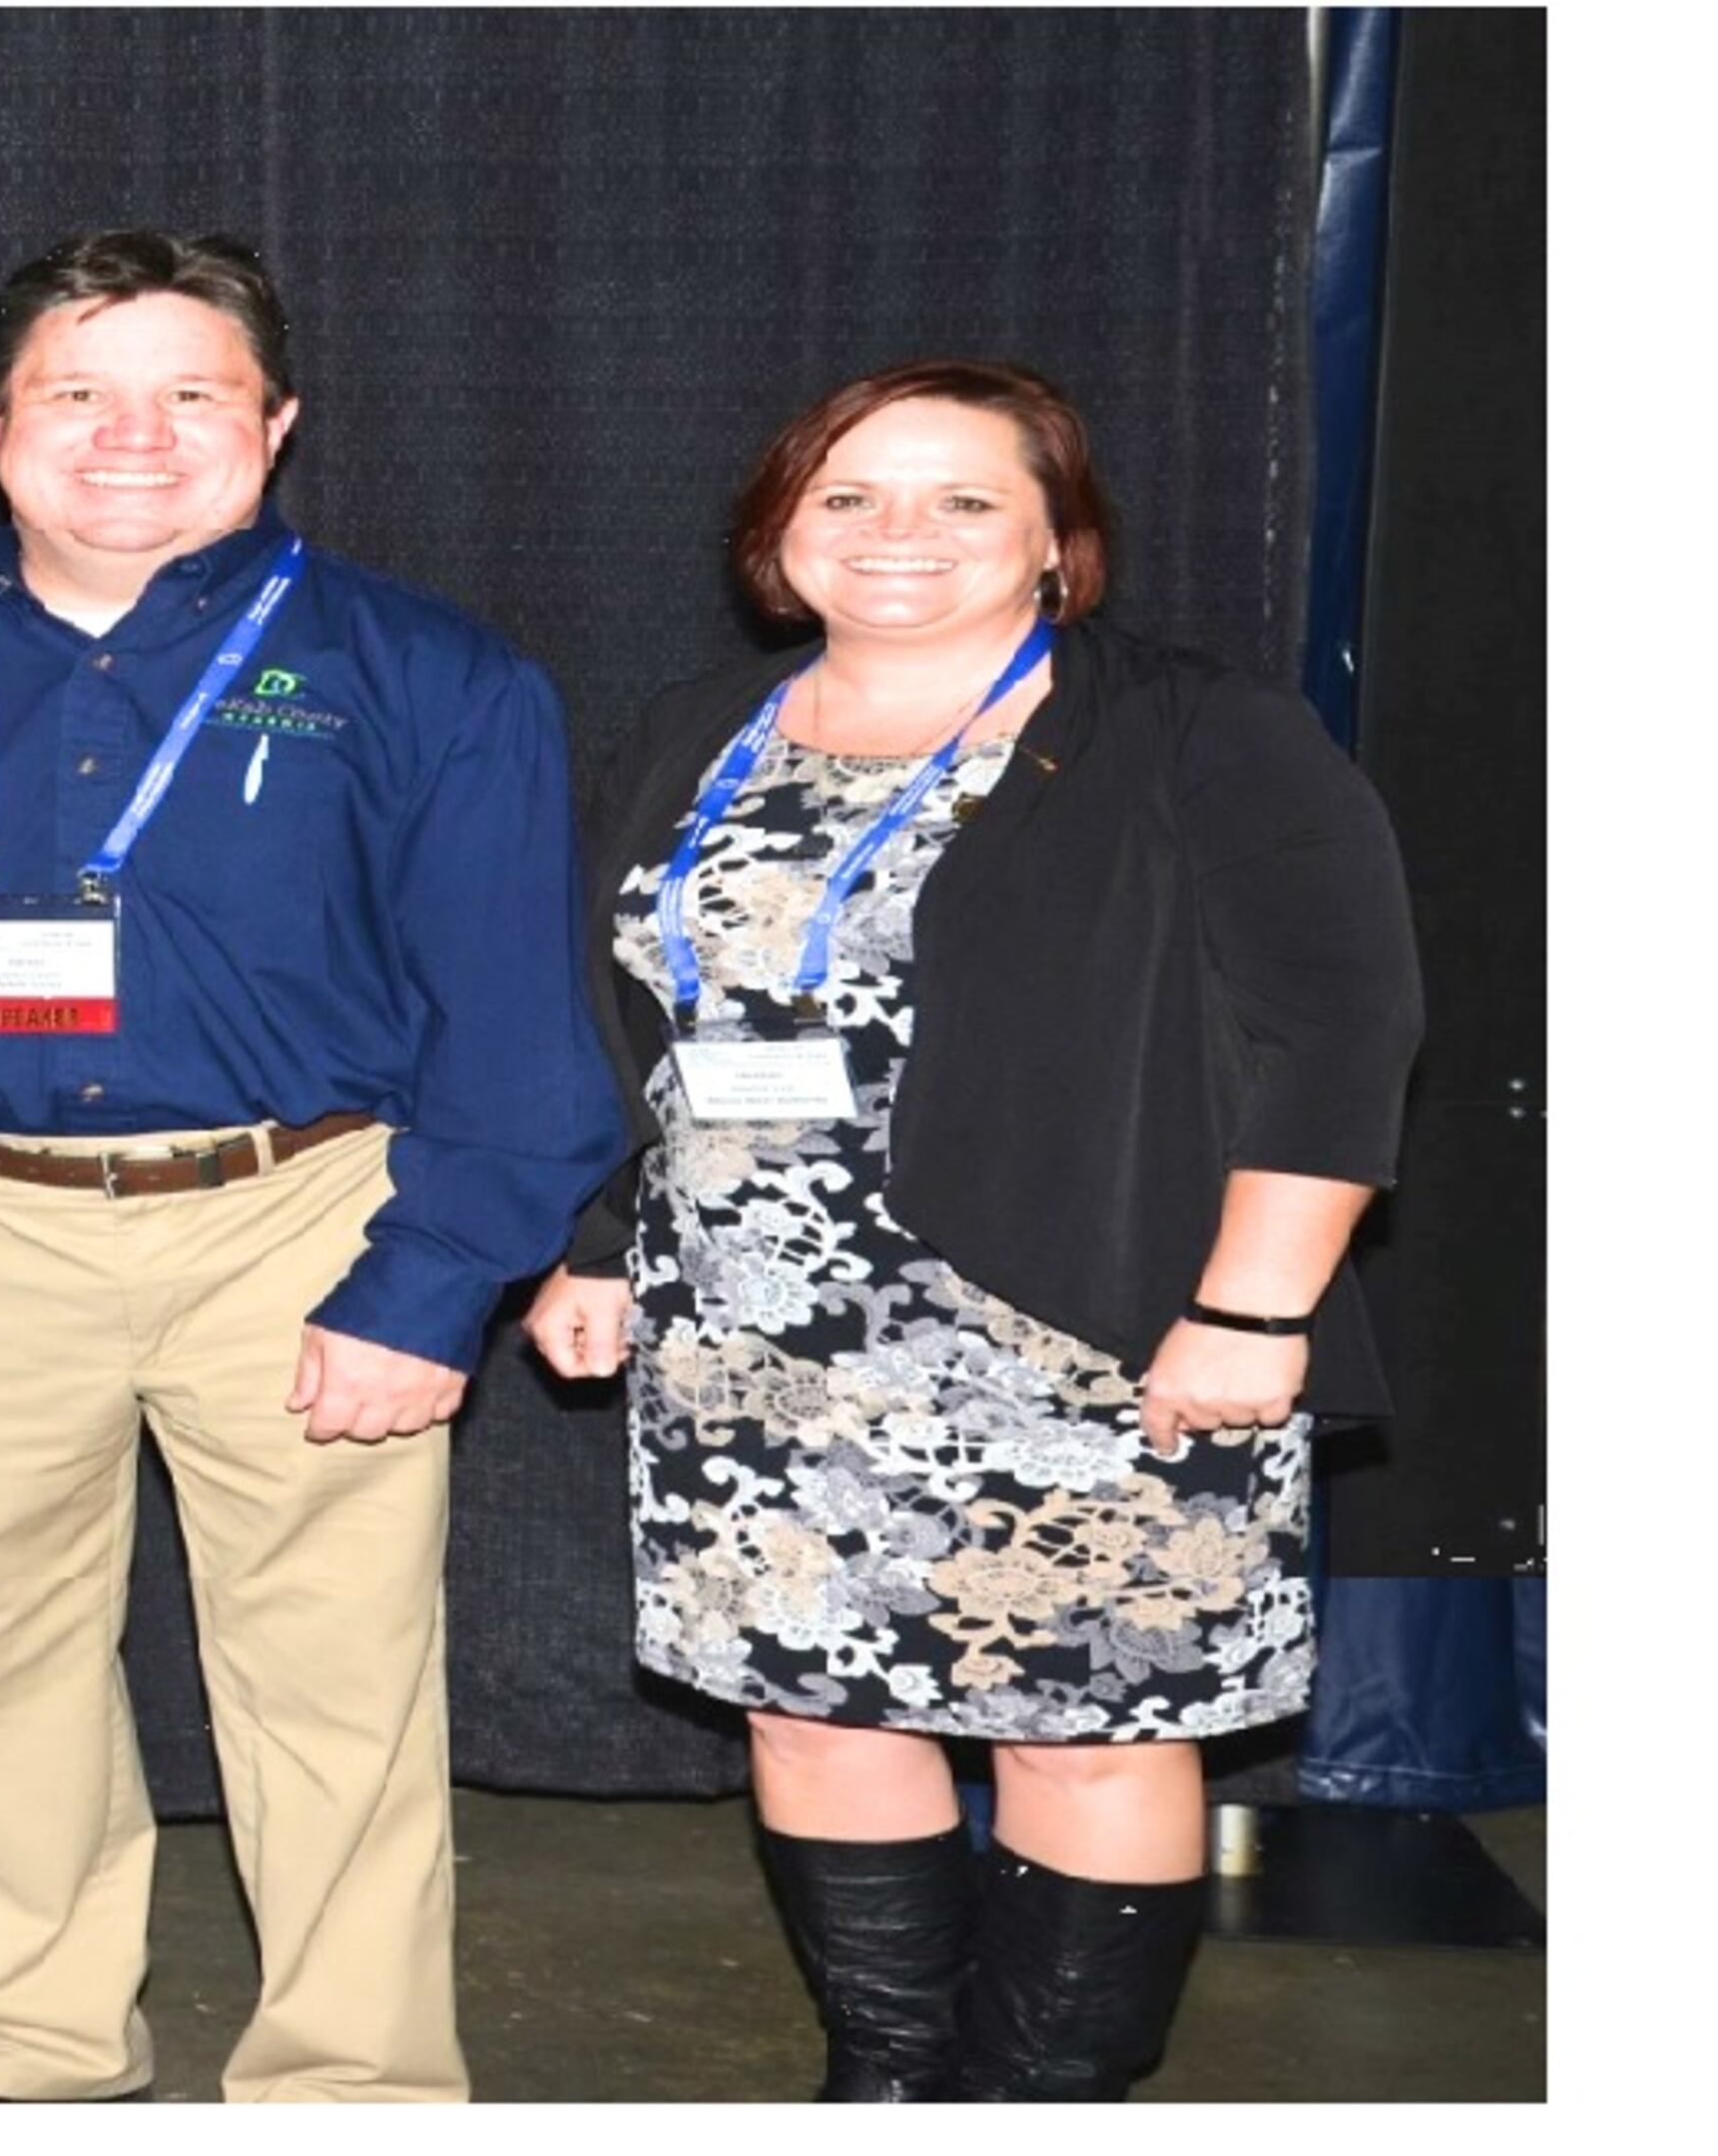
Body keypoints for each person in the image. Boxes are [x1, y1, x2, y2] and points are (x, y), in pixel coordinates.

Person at [0, 230, 623, 2104]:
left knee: (333, 1686)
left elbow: (519, 1028)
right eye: (78, 393)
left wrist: (432, 1282)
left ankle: (353, 2081)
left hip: (297, 1215)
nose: (136, 436)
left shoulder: (428, 672)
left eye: (193, 393)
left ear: (273, 424)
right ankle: (14, 2043)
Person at [521, 358, 1422, 2101]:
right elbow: (655, 1024)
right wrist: (599, 1238)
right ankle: (892, 2081)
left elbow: (1341, 1022)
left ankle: (1044, 2105)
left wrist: (1254, 1309)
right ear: (780, 535)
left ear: (1056, 543)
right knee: (811, 1708)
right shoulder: (706, 725)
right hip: (753, 1340)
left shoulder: (1189, 724)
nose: (897, 536)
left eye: (963, 501)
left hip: (1084, 1327)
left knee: (1083, 1737)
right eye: (848, 496)